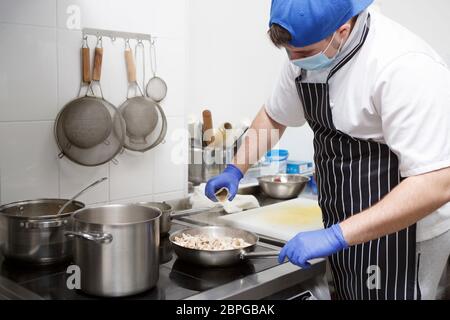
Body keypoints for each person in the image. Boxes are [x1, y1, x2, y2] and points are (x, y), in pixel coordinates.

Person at [205, 0, 450, 300]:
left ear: (342, 30)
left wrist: (335, 236)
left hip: (404, 235)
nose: (294, 61)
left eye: (303, 54)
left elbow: (435, 184)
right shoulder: (306, 53)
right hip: (345, 223)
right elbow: (275, 115)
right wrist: (236, 168)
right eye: (288, 53)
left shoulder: (404, 65)